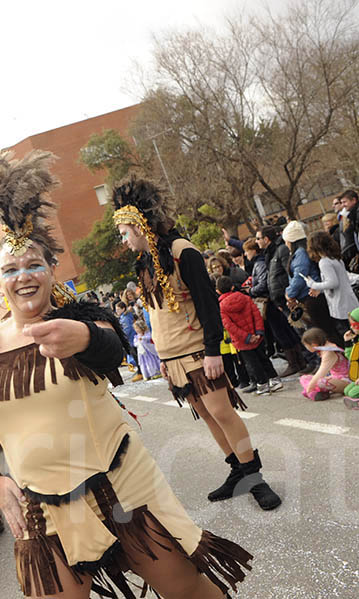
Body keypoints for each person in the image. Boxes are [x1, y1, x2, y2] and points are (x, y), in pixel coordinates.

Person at [0, 152, 252, 599]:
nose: (23, 276)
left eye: (33, 265)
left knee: (188, 591)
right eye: (10, 270)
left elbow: (113, 350)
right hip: (43, 508)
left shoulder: (82, 317)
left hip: (122, 485)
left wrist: (83, 337)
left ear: (52, 270)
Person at [112, 177, 281, 512]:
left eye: (124, 232)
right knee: (205, 414)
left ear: (139, 225)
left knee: (222, 411)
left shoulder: (181, 251)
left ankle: (255, 477)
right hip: (172, 354)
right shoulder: (144, 262)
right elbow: (158, 312)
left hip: (198, 350)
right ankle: (237, 470)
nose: (123, 239)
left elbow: (207, 303)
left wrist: (213, 351)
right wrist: (161, 355)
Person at [216, 276, 283, 395]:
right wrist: (258, 332)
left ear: (218, 291)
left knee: (252, 363)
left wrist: (246, 337)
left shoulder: (221, 307)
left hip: (242, 341)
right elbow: (257, 314)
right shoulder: (246, 298)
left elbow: (230, 326)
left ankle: (262, 385)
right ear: (232, 287)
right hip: (256, 335)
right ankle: (275, 380)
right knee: (263, 358)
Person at [282, 220, 343, 347]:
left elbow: (300, 276)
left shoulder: (300, 254)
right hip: (312, 296)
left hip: (312, 296)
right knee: (328, 330)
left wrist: (289, 293)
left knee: (326, 331)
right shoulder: (302, 252)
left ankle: (340, 359)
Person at [257, 226, 308, 375]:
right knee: (294, 330)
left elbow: (288, 273)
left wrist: (289, 294)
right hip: (279, 299)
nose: (257, 241)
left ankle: (309, 360)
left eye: (258, 238)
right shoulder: (270, 253)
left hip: (289, 297)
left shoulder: (280, 250)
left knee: (300, 328)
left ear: (266, 239)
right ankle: (298, 361)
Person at [305, 231, 359, 337]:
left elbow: (333, 282)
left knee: (347, 333)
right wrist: (320, 288)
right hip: (349, 300)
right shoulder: (335, 258)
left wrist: (313, 284)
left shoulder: (324, 262)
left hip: (340, 304)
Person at [298, 328, 351, 401]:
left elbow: (321, 373)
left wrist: (309, 388)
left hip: (346, 380)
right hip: (334, 377)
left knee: (319, 381)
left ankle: (314, 392)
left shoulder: (328, 352)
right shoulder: (325, 348)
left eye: (306, 345)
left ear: (313, 344)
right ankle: (316, 392)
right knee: (304, 378)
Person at [339, 189, 359, 273]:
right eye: (341, 203)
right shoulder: (352, 214)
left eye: (344, 202)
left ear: (353, 200)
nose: (343, 205)